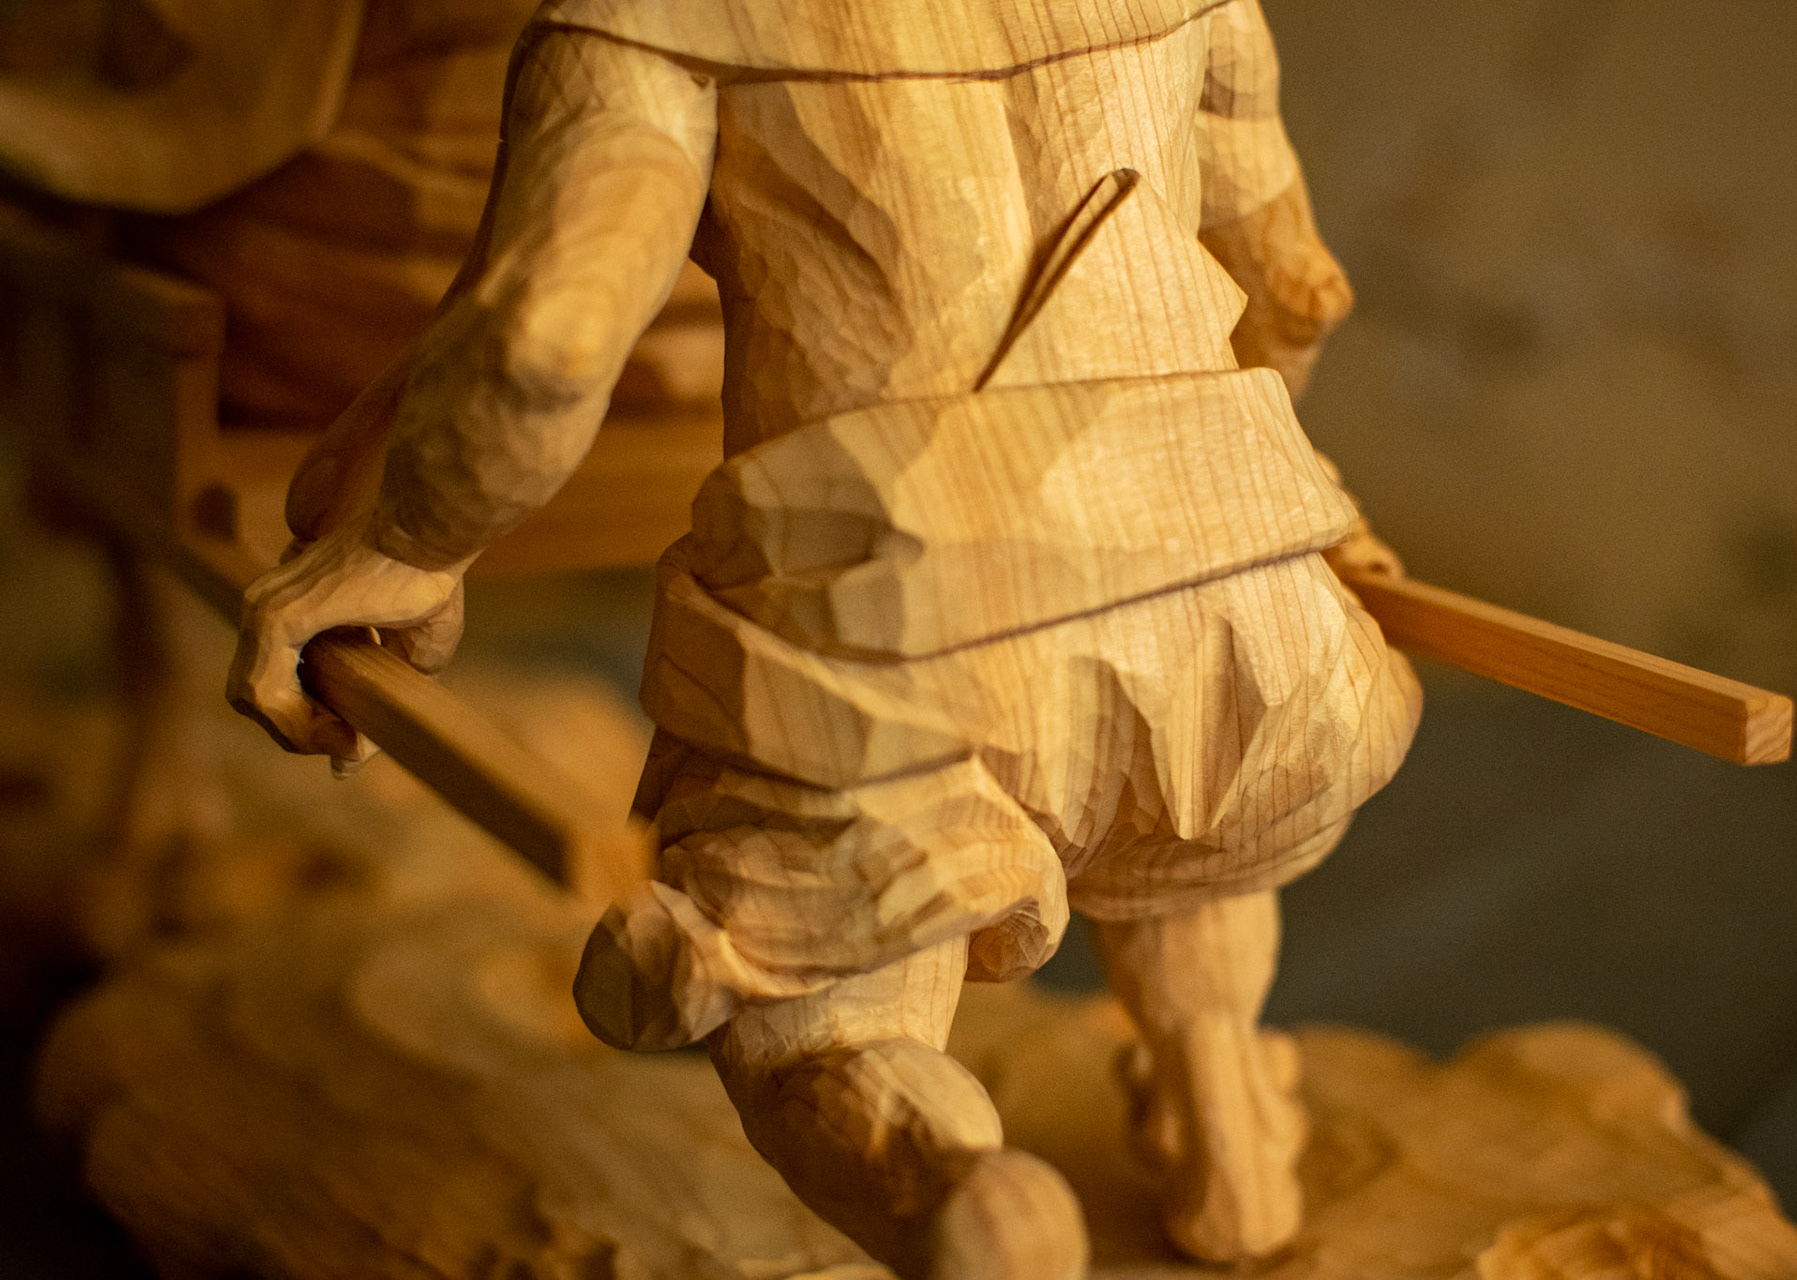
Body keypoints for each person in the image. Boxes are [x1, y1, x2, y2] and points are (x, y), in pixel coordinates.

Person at [229, 3, 1421, 1275]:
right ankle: (1226, 1129)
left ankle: (972, 1205)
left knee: (827, 1042)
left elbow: (544, 349)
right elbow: (1295, 288)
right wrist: (1251, 506)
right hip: (1257, 615)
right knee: (1190, 839)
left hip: (897, 650)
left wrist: (409, 544)